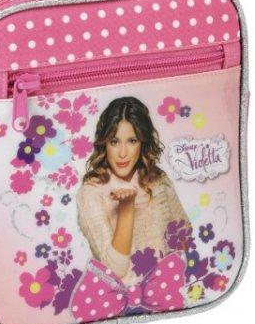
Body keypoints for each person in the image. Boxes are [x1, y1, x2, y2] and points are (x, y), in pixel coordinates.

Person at [76, 96, 190, 286]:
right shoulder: (91, 193)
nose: (122, 153)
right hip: (117, 299)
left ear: (142, 142)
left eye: (131, 141)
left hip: (167, 292)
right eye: (114, 141)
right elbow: (115, 271)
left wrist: (170, 275)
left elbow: (183, 234)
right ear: (104, 144)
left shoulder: (158, 182)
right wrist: (126, 209)